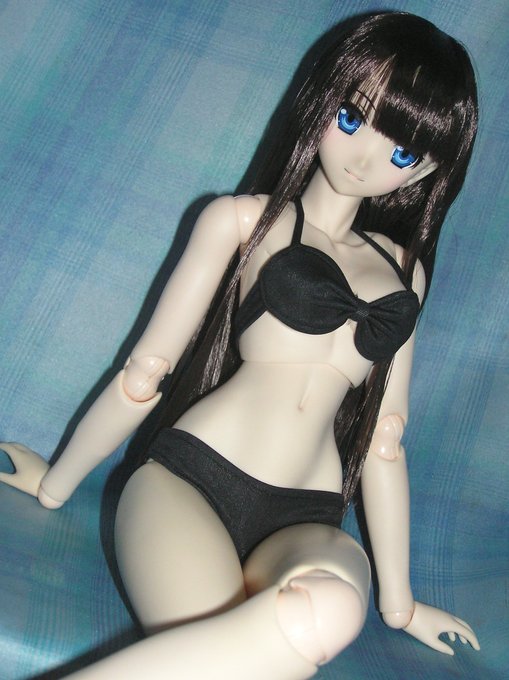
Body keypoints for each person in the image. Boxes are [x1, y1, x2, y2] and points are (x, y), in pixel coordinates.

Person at [0, 11, 481, 679]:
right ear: (321, 102)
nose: (365, 158)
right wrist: (56, 485)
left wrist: (399, 606)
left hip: (310, 519)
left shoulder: (405, 272)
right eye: (351, 118)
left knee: (324, 612)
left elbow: (385, 439)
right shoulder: (243, 221)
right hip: (191, 482)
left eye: (402, 153)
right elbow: (145, 374)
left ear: (426, 169)